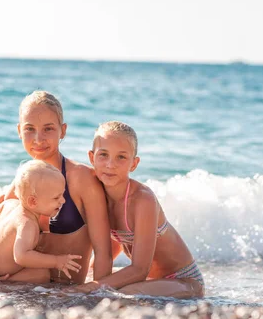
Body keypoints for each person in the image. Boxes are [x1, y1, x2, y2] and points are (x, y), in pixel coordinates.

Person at [0, 91, 112, 284]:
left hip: (66, 294)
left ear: (63, 130)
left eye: (48, 129)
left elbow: (104, 250)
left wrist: (97, 294)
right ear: (19, 131)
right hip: (20, 292)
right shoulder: (26, 176)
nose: (38, 138)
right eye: (29, 129)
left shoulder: (82, 178)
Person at [76, 121, 204, 298]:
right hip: (150, 281)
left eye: (121, 157)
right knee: (103, 288)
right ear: (92, 158)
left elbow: (139, 269)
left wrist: (91, 286)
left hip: (184, 281)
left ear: (134, 164)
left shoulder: (143, 200)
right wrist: (90, 277)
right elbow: (112, 245)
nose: (110, 164)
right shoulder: (99, 196)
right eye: (103, 155)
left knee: (122, 293)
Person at [0, 160, 82, 283]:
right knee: (42, 274)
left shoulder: (9, 205)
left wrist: (1, 199)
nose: (63, 201)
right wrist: (56, 261)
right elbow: (21, 256)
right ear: (32, 202)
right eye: (56, 197)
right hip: (1, 274)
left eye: (62, 195)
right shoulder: (27, 223)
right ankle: (4, 282)